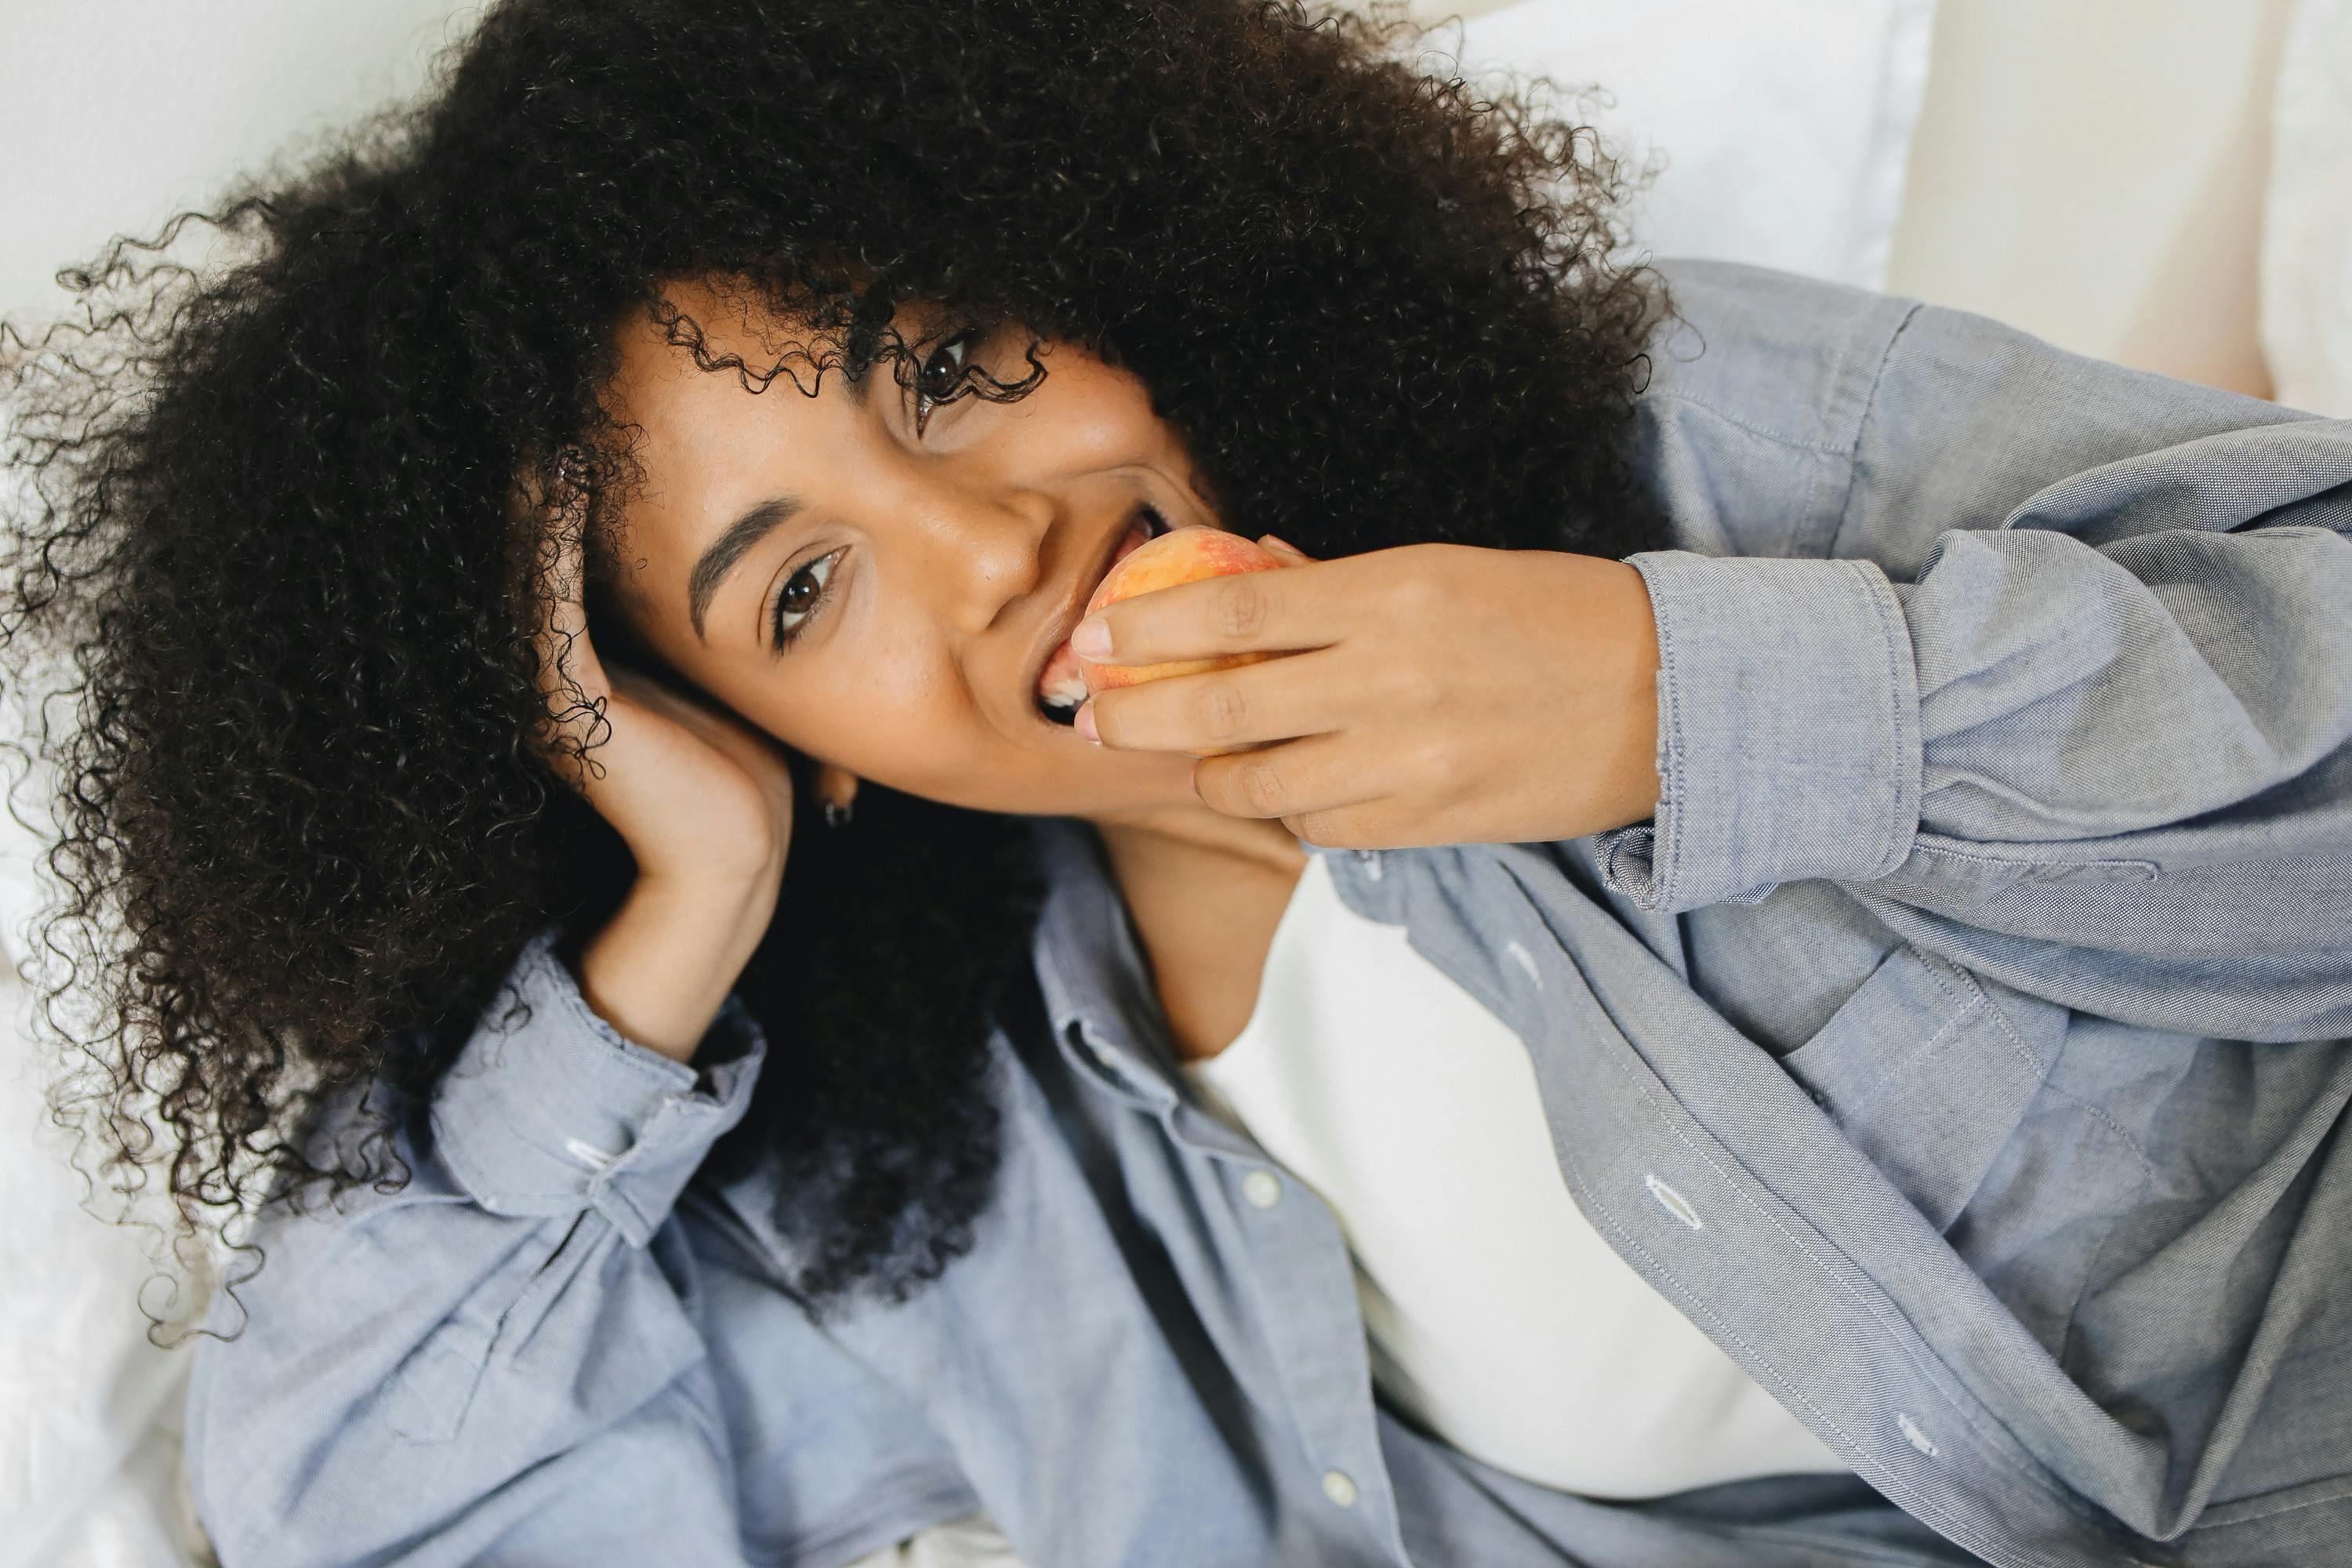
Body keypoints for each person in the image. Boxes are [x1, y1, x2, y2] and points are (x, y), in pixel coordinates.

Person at [2, 0, 2346, 1564]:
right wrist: (666, 924)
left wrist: (1669, 702)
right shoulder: (938, 1191)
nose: (993, 541)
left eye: (945, 364)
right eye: (797, 599)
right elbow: (380, 1507)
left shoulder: (1676, 443)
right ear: (766, 742)